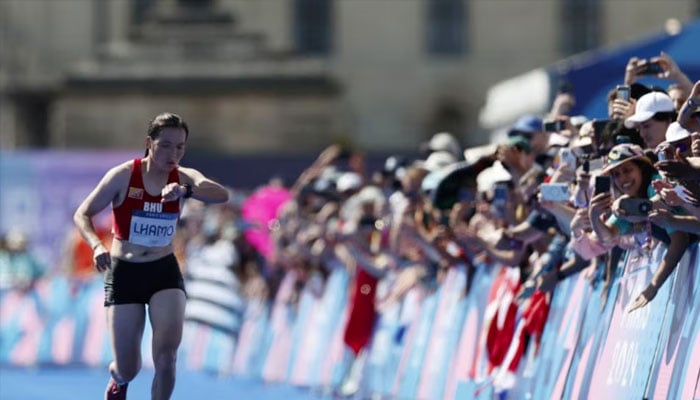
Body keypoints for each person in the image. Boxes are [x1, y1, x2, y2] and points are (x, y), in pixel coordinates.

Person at [73, 112, 229, 400]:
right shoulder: (123, 175)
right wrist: (96, 244)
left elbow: (221, 195)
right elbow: (83, 214)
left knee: (167, 357)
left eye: (180, 147)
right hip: (125, 272)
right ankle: (118, 379)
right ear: (149, 143)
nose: (174, 154)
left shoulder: (183, 176)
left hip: (163, 271)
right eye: (166, 145)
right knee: (129, 367)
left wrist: (187, 191)